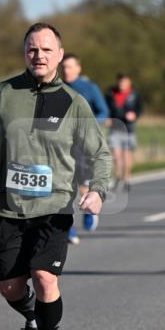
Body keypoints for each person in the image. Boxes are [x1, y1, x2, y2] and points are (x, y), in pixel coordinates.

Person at [0, 23, 111, 330]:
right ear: (25, 53)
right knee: (10, 288)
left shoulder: (73, 102)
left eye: (47, 50)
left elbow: (99, 153)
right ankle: (32, 320)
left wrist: (98, 189)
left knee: (44, 277)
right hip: (8, 208)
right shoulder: (3, 94)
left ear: (60, 55)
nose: (39, 55)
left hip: (54, 209)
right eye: (32, 49)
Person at [61, 53, 109, 240]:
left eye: (70, 66)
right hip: (59, 144)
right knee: (62, 185)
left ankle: (88, 209)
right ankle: (66, 227)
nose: (66, 70)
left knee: (81, 185)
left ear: (78, 68)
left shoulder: (89, 88)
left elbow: (103, 111)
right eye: (63, 67)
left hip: (83, 144)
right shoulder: (56, 87)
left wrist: (89, 125)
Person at [105, 74, 142, 190]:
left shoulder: (134, 94)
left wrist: (134, 115)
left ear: (129, 83)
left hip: (128, 129)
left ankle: (127, 178)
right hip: (115, 128)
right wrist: (107, 118)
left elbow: (140, 109)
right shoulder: (110, 93)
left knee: (126, 156)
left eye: (124, 82)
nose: (122, 84)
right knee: (116, 156)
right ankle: (118, 177)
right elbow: (105, 108)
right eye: (120, 82)